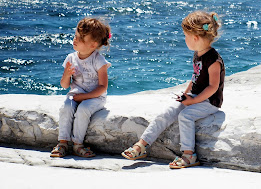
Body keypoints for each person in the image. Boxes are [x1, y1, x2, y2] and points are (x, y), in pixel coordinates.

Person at [121, 11, 225, 169]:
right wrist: (186, 95)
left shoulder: (213, 60)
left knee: (185, 116)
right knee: (167, 113)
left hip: (209, 102)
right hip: (196, 97)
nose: (184, 40)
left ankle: (189, 155)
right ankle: (141, 145)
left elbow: (213, 87)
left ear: (195, 38)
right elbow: (195, 77)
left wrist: (193, 101)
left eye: (186, 36)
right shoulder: (198, 54)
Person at [50, 17, 111, 158]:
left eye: (81, 39)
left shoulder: (99, 61)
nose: (75, 40)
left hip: (95, 97)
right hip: (77, 94)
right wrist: (66, 74)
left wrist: (84, 97)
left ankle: (78, 144)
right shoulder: (71, 58)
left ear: (93, 45)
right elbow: (64, 85)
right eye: (75, 36)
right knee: (66, 107)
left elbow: (103, 87)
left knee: (83, 110)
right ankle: (63, 143)